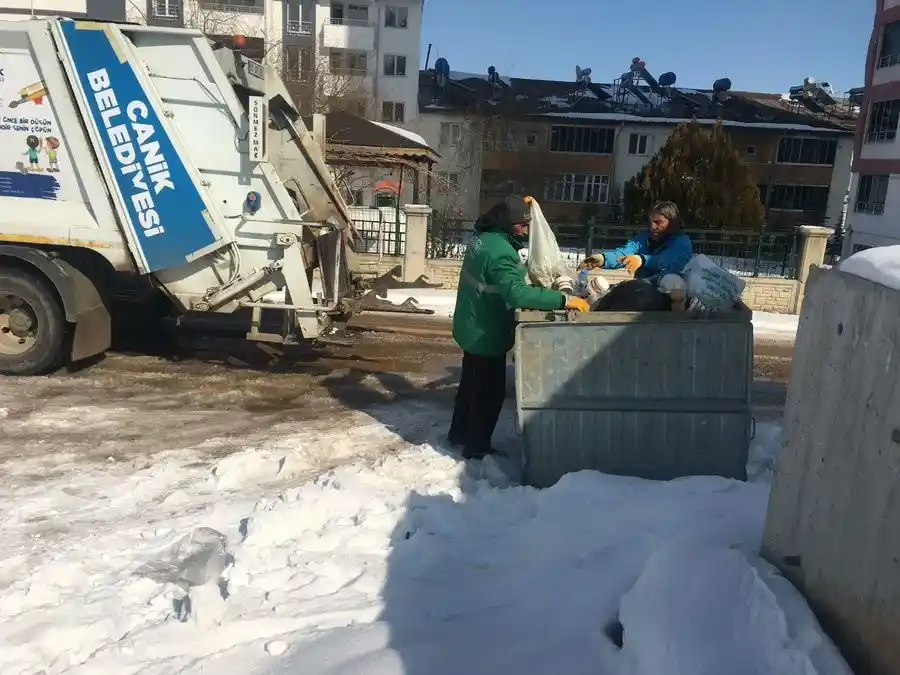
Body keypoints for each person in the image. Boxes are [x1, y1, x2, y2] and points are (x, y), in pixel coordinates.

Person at [449, 194, 589, 459]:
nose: (525, 231)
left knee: (470, 384)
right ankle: (476, 448)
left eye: (527, 225)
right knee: (489, 393)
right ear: (506, 223)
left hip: (470, 324)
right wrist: (564, 299)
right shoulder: (502, 252)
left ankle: (459, 433)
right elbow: (518, 295)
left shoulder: (483, 239)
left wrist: (530, 208)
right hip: (486, 333)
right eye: (521, 226)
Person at [581, 201, 692, 281]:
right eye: (651, 222)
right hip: (642, 290)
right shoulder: (643, 238)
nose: (653, 227)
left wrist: (642, 259)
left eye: (658, 222)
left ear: (672, 222)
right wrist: (603, 259)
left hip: (669, 297)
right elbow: (624, 253)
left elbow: (666, 260)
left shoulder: (682, 242)